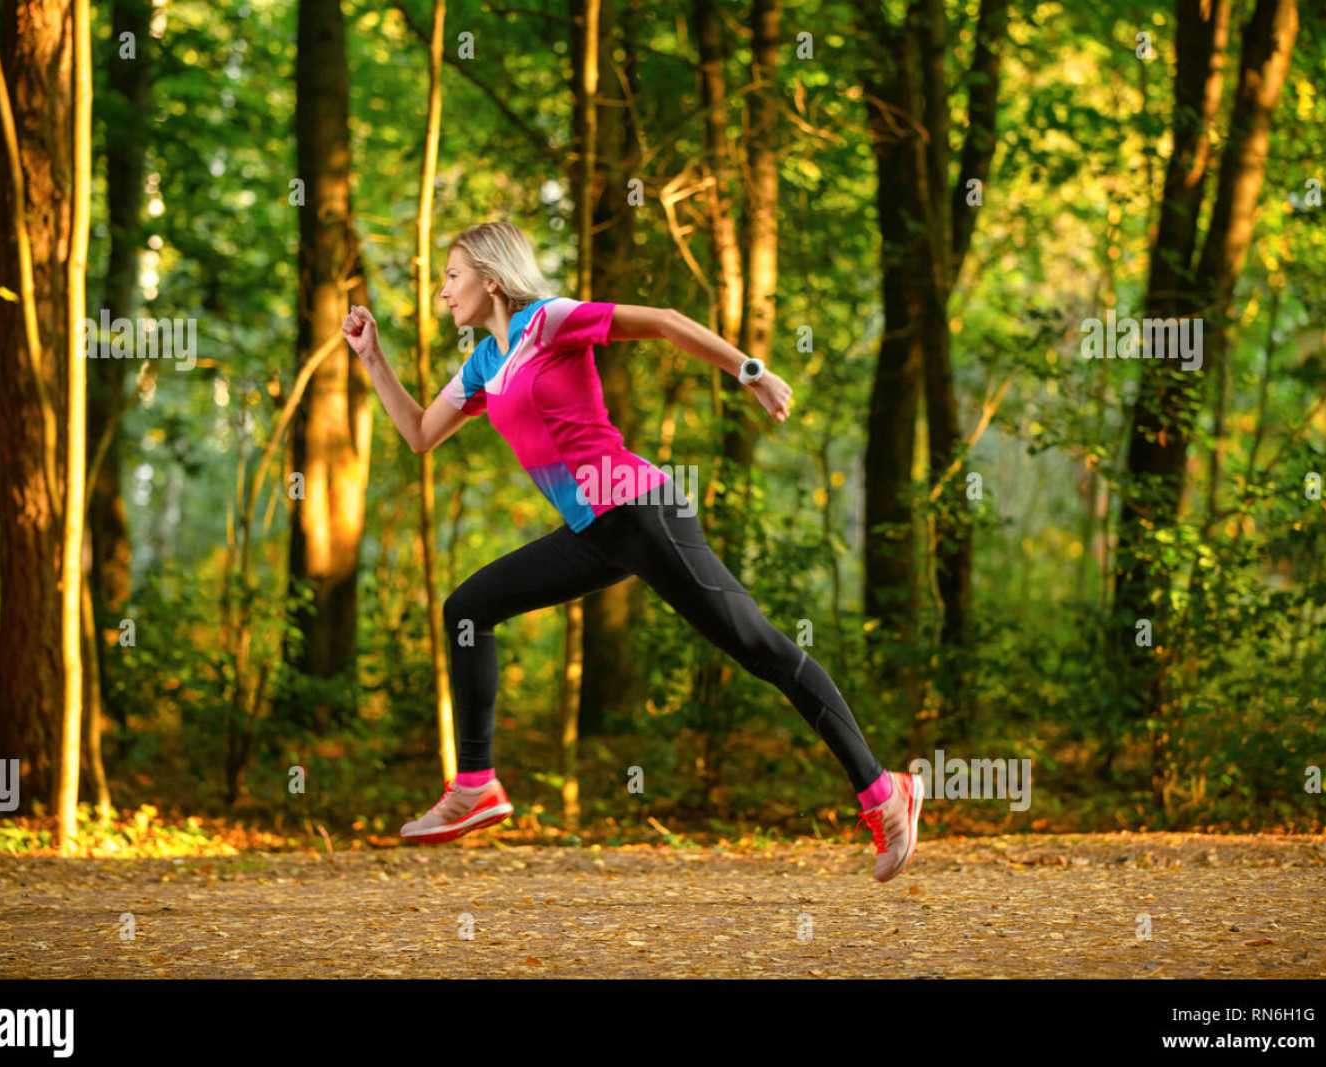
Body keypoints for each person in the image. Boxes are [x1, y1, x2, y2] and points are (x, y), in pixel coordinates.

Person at [340, 220, 922, 882]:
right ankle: (476, 785)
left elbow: (666, 322)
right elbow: (419, 432)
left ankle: (884, 790)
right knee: (468, 608)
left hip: (641, 511)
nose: (442, 292)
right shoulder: (483, 363)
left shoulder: (549, 322)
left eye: (451, 276)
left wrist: (750, 371)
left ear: (490, 277)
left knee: (757, 645)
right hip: (593, 534)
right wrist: (371, 357)